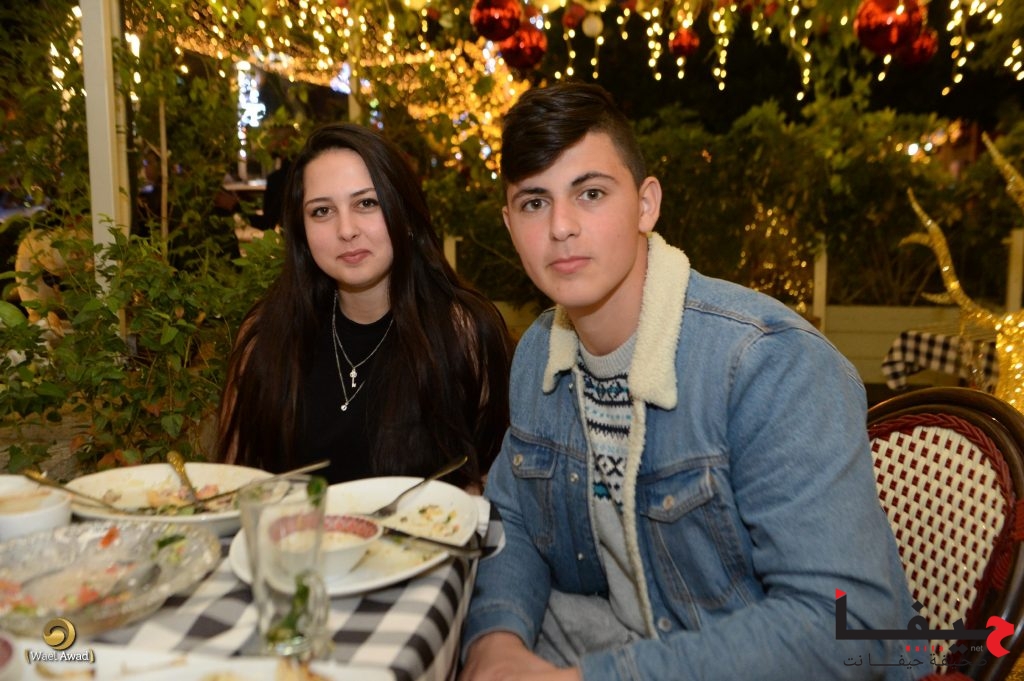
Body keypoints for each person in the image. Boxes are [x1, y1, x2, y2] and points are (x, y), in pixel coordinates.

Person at [459, 83, 926, 680]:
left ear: (646, 204)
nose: (561, 227)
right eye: (533, 203)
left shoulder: (767, 363)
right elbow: (514, 520)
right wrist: (495, 640)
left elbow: (847, 628)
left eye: (591, 193)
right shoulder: (537, 356)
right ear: (509, 224)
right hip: (635, 635)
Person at [216, 123, 514, 490]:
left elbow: (496, 487)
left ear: (405, 213)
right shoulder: (265, 337)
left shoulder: (464, 333)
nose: (346, 230)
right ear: (301, 232)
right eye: (321, 211)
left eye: (367, 203)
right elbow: (232, 487)